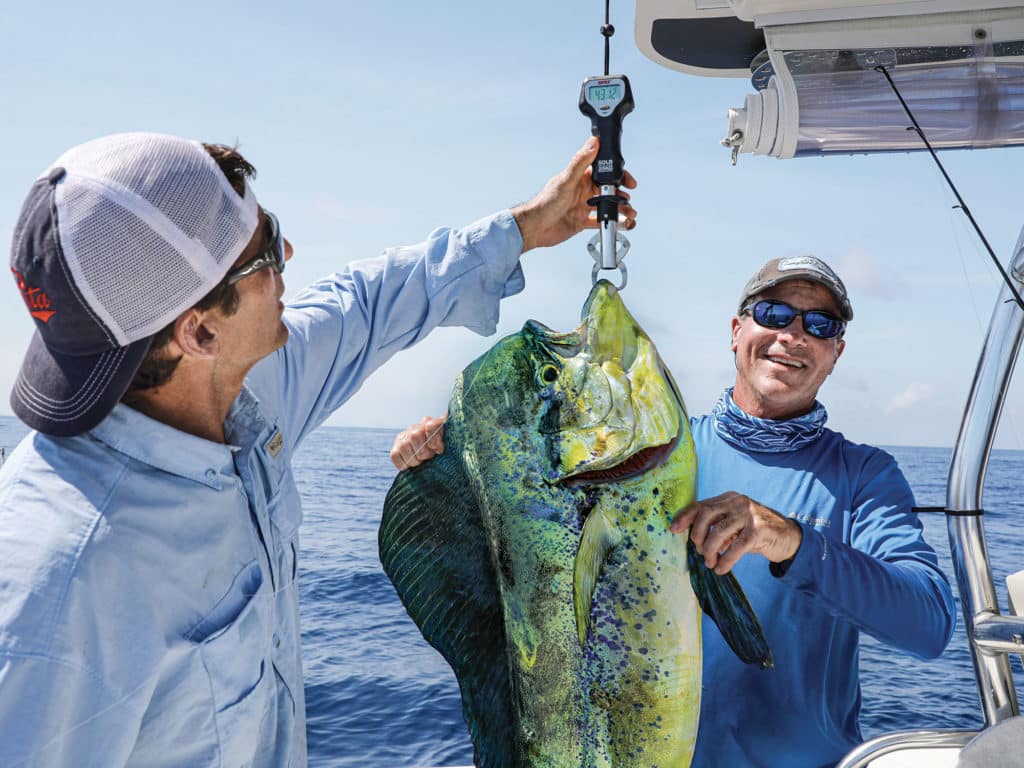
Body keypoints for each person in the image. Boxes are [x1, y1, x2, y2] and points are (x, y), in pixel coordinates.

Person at [0, 131, 636, 768]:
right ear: (198, 331)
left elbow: (365, 302)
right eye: (267, 252)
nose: (290, 254)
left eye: (270, 227)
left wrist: (527, 225)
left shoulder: (233, 389)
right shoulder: (55, 588)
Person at [390, 255, 957, 768]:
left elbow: (928, 624)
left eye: (820, 325)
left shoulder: (865, 476)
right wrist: (444, 458)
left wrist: (792, 542)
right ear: (737, 333)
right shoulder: (666, 452)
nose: (793, 335)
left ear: (835, 353)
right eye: (774, 312)